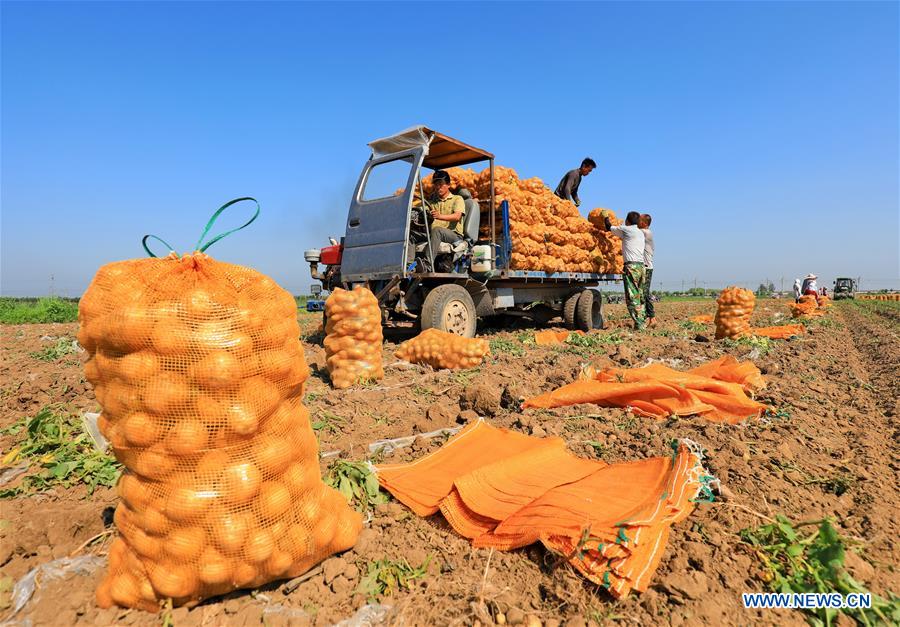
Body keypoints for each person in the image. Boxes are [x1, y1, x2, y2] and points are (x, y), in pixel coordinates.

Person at [604, 210, 646, 330]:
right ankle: (642, 321)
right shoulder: (640, 232)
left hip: (631, 267)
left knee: (632, 297)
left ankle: (639, 324)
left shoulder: (626, 229)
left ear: (627, 221)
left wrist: (605, 217)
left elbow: (608, 227)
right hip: (641, 266)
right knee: (640, 295)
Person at [638, 213, 656, 326]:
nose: (637, 222)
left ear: (644, 223)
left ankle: (652, 317)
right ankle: (647, 317)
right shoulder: (642, 233)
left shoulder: (646, 232)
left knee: (644, 293)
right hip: (642, 267)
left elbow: (632, 231)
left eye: (639, 220)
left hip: (647, 268)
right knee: (642, 293)